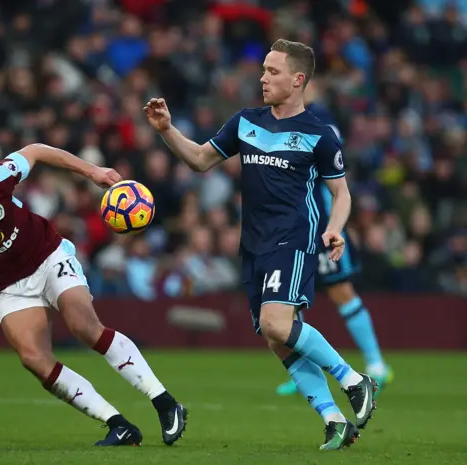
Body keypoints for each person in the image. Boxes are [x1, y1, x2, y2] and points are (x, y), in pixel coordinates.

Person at [144, 39, 377, 451]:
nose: (262, 77)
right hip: (253, 242)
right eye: (264, 70)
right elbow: (200, 160)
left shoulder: (319, 136)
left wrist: (336, 228)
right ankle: (334, 420)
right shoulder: (245, 122)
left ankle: (354, 380)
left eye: (273, 71)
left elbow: (341, 194)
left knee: (275, 324)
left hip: (294, 237)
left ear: (298, 79)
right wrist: (166, 131)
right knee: (276, 339)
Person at [0, 144, 187, 446]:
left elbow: (36, 151)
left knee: (84, 326)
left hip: (47, 257)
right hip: (8, 289)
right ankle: (117, 425)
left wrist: (93, 171)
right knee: (33, 359)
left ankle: (165, 403)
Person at [275, 82, 393, 397]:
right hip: (292, 226)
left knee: (341, 290)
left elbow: (331, 165)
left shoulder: (320, 117)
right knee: (290, 302)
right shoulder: (280, 118)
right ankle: (304, 372)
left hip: (323, 223)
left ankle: (376, 362)